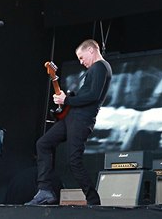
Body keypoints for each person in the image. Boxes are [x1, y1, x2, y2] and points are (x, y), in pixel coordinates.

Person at [26, 39, 112, 205]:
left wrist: (67, 101)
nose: (81, 62)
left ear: (91, 51)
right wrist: (66, 99)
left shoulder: (101, 66)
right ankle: (45, 190)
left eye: (81, 57)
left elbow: (93, 96)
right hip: (71, 118)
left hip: (81, 120)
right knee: (43, 144)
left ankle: (94, 201)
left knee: (74, 161)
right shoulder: (95, 69)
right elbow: (82, 97)